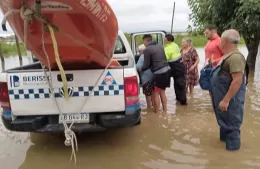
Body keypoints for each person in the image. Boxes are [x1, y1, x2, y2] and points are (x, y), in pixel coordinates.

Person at [210, 29, 247, 151]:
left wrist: (226, 100)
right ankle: (223, 157)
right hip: (223, 101)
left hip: (231, 103)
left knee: (232, 128)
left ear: (225, 41)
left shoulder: (236, 57)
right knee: (224, 126)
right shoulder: (227, 56)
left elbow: (237, 80)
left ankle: (232, 158)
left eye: (221, 39)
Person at [142, 34, 171, 113]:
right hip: (167, 70)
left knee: (155, 93)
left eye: (143, 42)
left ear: (146, 41)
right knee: (162, 92)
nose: (144, 44)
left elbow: (146, 65)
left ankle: (157, 113)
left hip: (159, 72)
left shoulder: (147, 49)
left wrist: (141, 70)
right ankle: (165, 111)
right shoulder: (160, 46)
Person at [164, 34, 187, 105]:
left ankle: (183, 101)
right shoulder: (175, 44)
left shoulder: (168, 48)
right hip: (178, 66)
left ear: (169, 40)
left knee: (180, 84)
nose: (164, 40)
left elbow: (165, 58)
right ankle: (178, 99)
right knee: (177, 83)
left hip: (176, 67)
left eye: (165, 39)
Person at [136, 44, 154, 109]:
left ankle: (149, 107)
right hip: (153, 76)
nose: (138, 53)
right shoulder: (151, 55)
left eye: (139, 51)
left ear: (142, 51)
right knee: (153, 92)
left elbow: (137, 67)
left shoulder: (142, 56)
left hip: (146, 78)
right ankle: (154, 106)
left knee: (147, 93)